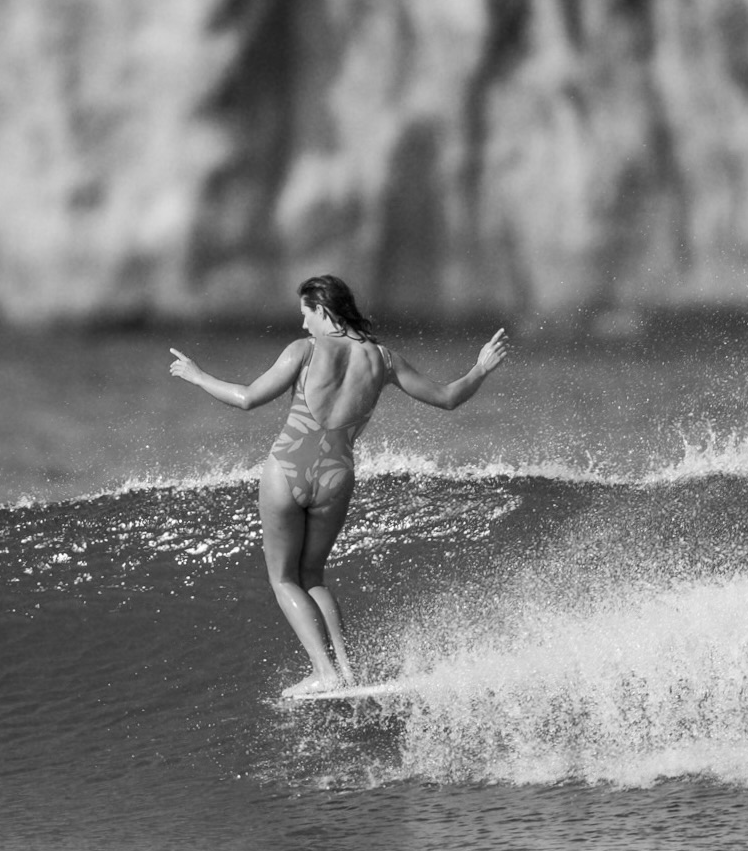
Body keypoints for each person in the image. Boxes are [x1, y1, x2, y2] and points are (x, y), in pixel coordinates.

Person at [168, 276, 509, 695]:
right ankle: (347, 671)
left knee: (283, 580)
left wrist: (198, 376)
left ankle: (323, 671)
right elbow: (448, 397)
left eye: (305, 315)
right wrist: (480, 367)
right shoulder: (383, 359)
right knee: (313, 575)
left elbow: (247, 398)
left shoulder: (305, 351)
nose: (304, 325)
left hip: (288, 468)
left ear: (322, 309)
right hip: (336, 475)